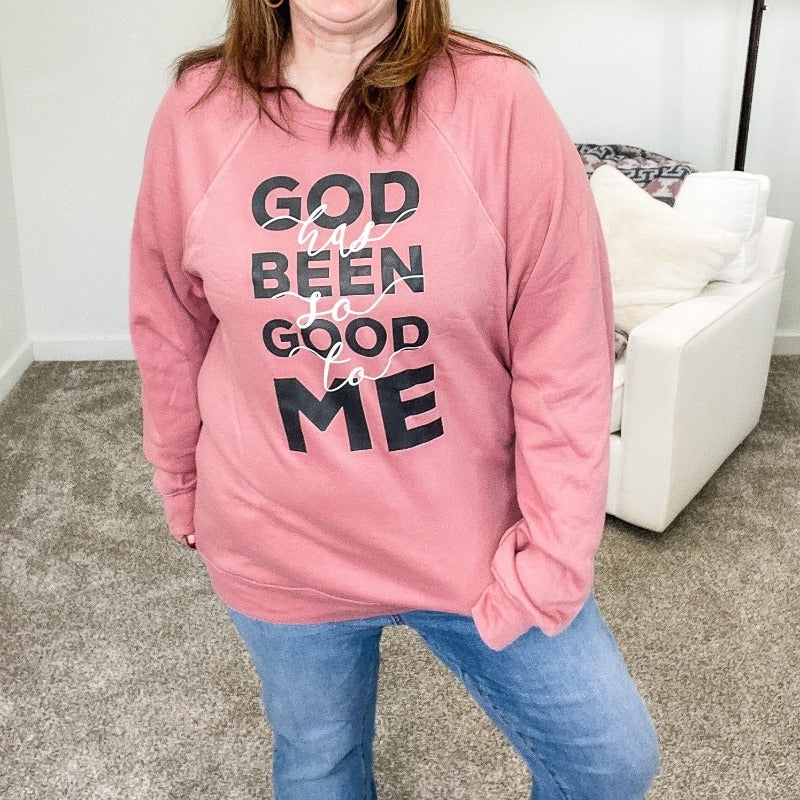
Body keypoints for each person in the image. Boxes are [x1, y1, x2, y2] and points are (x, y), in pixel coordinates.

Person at [128, 1, 661, 798]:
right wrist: (179, 480)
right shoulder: (198, 110)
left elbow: (566, 350)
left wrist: (556, 553)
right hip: (279, 539)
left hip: (472, 542)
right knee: (319, 765)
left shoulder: (500, 102)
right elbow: (169, 323)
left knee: (610, 762)